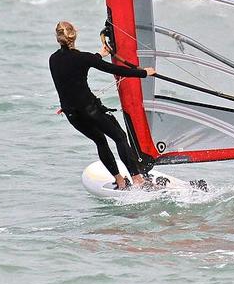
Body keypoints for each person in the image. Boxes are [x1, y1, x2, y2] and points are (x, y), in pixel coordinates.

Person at [49, 21, 155, 190]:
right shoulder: (84, 58)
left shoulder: (53, 59)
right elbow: (115, 70)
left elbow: (71, 74)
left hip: (72, 114)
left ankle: (120, 181)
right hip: (91, 110)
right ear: (75, 35)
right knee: (119, 137)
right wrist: (144, 73)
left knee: (100, 141)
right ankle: (137, 179)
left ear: (58, 38)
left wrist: (98, 55)